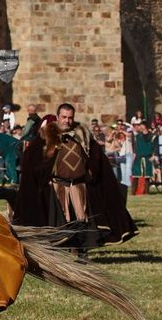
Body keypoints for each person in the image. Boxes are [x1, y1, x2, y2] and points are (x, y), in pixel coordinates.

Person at [14, 102, 136, 247]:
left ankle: (81, 251)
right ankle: (64, 250)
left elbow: (97, 157)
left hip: (79, 186)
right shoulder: (47, 135)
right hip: (57, 187)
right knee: (60, 223)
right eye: (64, 117)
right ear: (58, 117)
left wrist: (92, 172)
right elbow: (31, 157)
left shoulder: (82, 134)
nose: (67, 121)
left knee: (81, 220)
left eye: (70, 118)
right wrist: (42, 177)